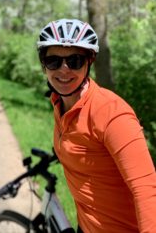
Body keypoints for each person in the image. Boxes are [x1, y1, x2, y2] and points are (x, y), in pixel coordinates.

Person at [37, 18, 156, 233]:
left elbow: (146, 189)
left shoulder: (111, 113)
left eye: (74, 61)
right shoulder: (58, 103)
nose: (64, 70)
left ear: (89, 62)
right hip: (86, 226)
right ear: (43, 64)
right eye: (54, 61)